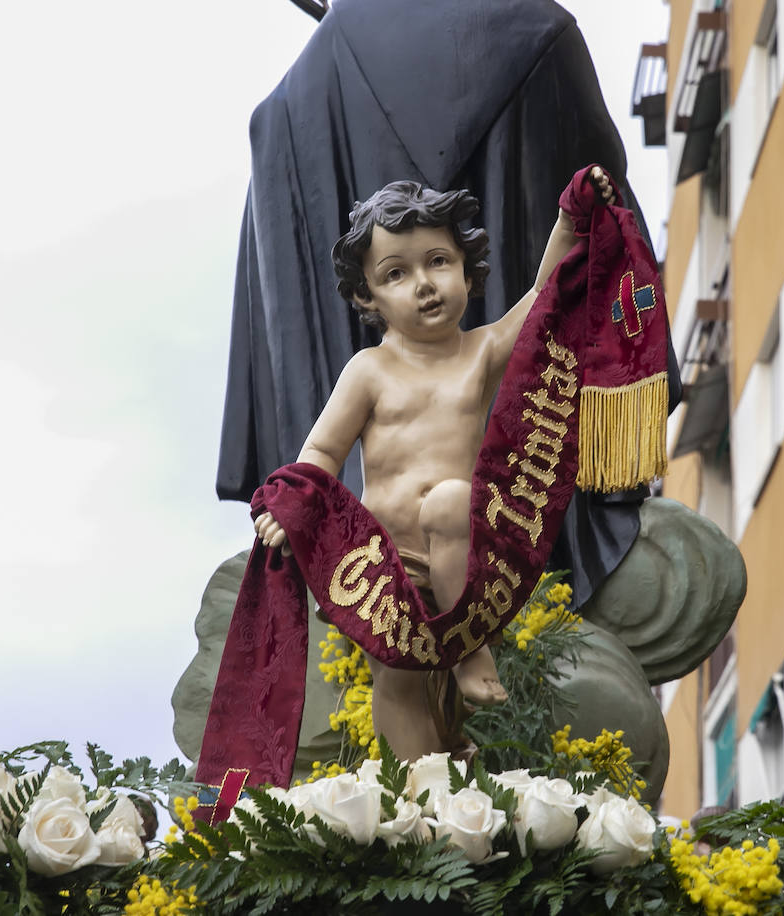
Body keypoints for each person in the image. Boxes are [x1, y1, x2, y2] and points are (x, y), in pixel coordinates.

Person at [250, 168, 615, 761]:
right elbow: (321, 452)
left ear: (467, 270)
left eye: (438, 261)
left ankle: (472, 649)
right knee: (400, 682)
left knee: (448, 498)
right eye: (397, 273)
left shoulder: (482, 351)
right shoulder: (368, 370)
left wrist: (570, 221)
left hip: (465, 555)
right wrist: (292, 506)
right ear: (368, 295)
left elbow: (543, 296)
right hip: (384, 562)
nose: (424, 284)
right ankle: (425, 786)